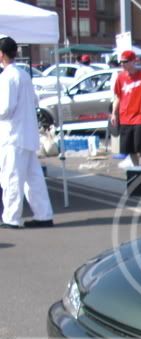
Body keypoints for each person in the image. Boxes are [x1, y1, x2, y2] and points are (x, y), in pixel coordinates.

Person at [0, 37, 54, 229]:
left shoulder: (7, 77)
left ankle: (11, 218)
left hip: (13, 136)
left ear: (1, 54)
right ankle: (43, 215)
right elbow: (34, 101)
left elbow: (5, 109)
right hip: (28, 134)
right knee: (33, 179)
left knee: (12, 178)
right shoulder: (23, 74)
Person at [110, 50, 141, 178]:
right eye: (121, 62)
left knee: (139, 147)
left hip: (140, 116)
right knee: (129, 148)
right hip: (125, 117)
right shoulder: (120, 77)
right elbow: (117, 97)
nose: (122, 64)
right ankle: (137, 170)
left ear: (133, 61)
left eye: (125, 62)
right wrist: (114, 113)